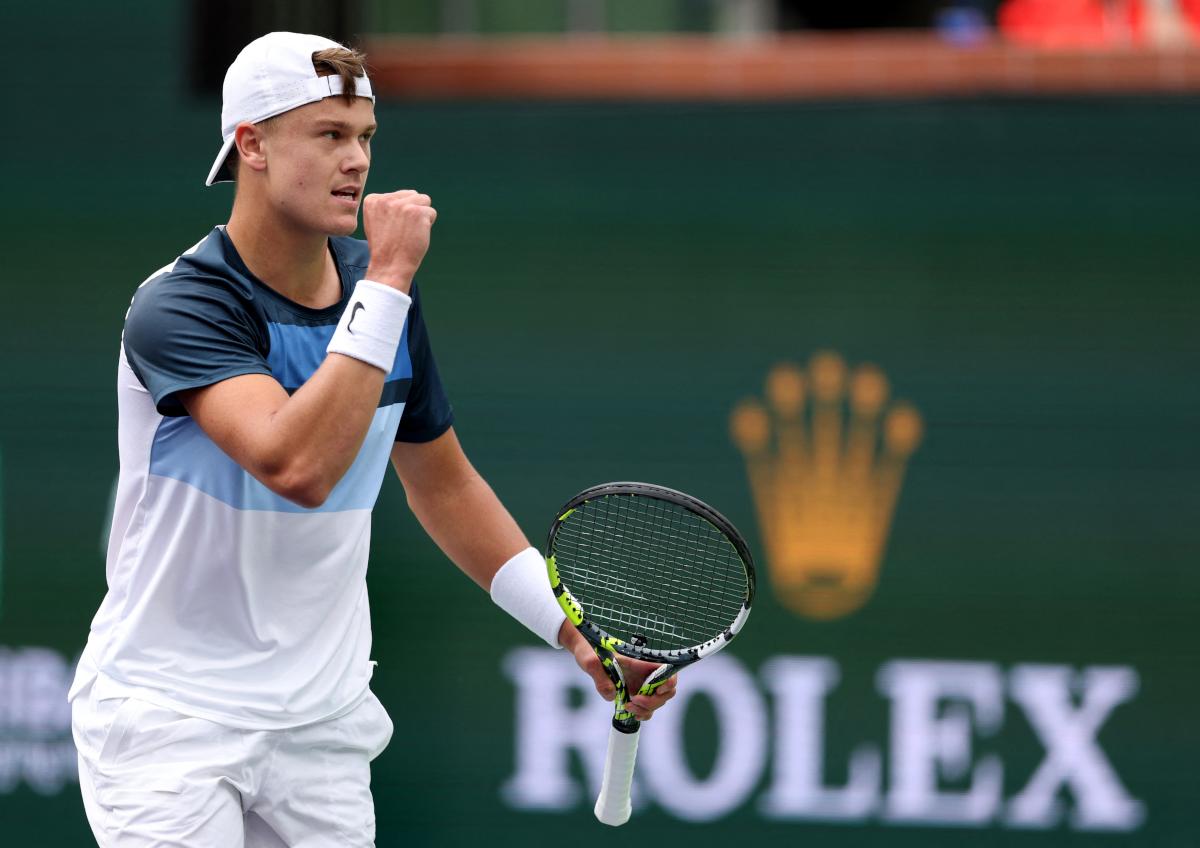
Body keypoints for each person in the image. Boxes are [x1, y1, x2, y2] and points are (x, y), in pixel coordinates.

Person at [68, 31, 676, 847]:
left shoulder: (378, 300)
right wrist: (387, 281)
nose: (356, 161)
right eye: (329, 136)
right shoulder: (180, 307)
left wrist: (572, 630)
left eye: (365, 138)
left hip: (323, 727)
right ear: (251, 144)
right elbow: (297, 465)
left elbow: (444, 483)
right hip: (171, 718)